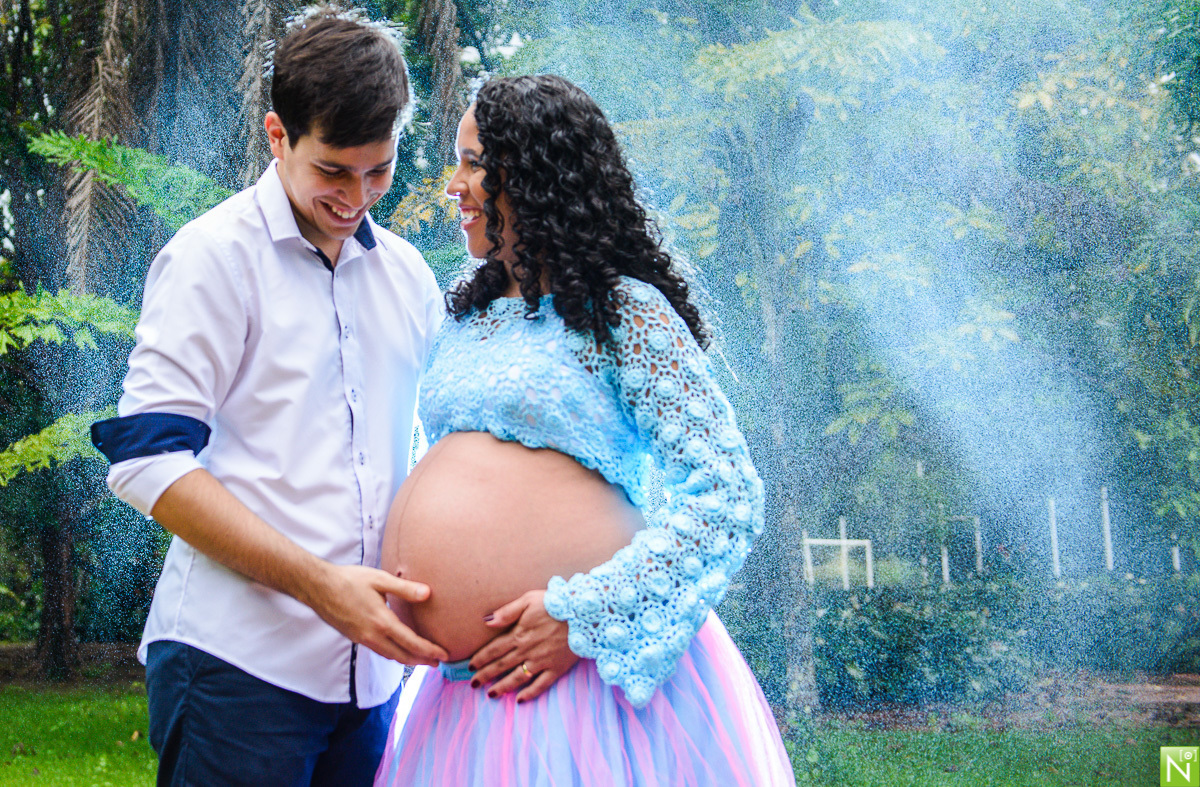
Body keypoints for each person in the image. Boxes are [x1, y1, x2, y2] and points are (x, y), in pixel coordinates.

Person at [375, 74, 796, 786]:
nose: (454, 184)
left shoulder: (624, 313)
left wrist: (585, 617)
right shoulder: (464, 314)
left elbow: (725, 498)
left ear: (537, 177)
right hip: (465, 700)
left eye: (474, 162)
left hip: (588, 696)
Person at [90, 8, 447, 785]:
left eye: (378, 170)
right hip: (235, 671)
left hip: (375, 682)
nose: (357, 198)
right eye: (333, 171)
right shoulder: (209, 260)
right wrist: (321, 586)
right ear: (277, 135)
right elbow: (148, 464)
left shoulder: (412, 281)